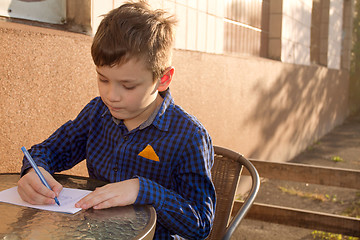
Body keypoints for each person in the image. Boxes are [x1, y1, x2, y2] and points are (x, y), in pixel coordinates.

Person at [17, 1, 216, 239]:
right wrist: (34, 171)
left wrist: (144, 190)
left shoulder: (188, 136)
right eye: (103, 79)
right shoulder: (96, 113)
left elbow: (201, 225)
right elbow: (47, 151)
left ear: (163, 79)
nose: (111, 96)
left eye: (128, 85)